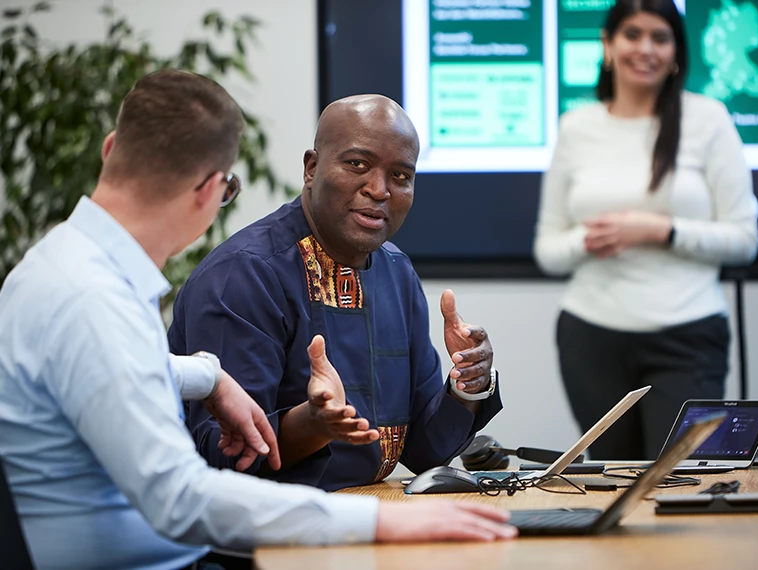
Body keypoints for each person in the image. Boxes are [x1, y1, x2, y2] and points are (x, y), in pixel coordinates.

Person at [0, 70, 515, 570]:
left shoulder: (55, 267)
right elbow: (182, 499)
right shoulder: (101, 297)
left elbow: (113, 367)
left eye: (400, 176)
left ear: (110, 148)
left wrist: (207, 375)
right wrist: (376, 522)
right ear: (211, 192)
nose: (378, 190)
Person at [168, 94, 503, 492]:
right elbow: (220, 460)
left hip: (374, 514)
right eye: (358, 164)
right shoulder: (244, 275)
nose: (379, 190)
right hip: (264, 536)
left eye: (400, 176)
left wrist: (467, 385)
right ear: (312, 168)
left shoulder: (396, 271)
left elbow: (422, 452)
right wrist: (311, 425)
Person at [533, 0, 758, 460]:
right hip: (591, 338)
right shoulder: (576, 127)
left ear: (676, 51)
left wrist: (660, 229)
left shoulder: (709, 120)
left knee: (687, 483)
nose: (646, 48)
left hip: (689, 338)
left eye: (660, 37)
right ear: (608, 45)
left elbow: (744, 240)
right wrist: (594, 238)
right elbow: (548, 249)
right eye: (632, 34)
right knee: (612, 484)